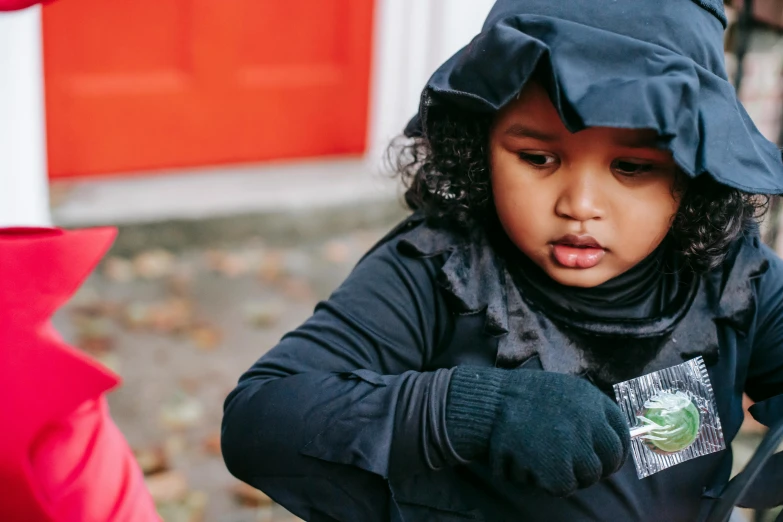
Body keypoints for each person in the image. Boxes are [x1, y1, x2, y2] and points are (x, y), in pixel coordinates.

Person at [221, 0, 783, 520]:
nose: (579, 206)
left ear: (694, 175)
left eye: (631, 168)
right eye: (538, 157)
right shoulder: (436, 272)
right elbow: (258, 419)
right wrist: (472, 412)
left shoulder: (732, 274)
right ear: (479, 142)